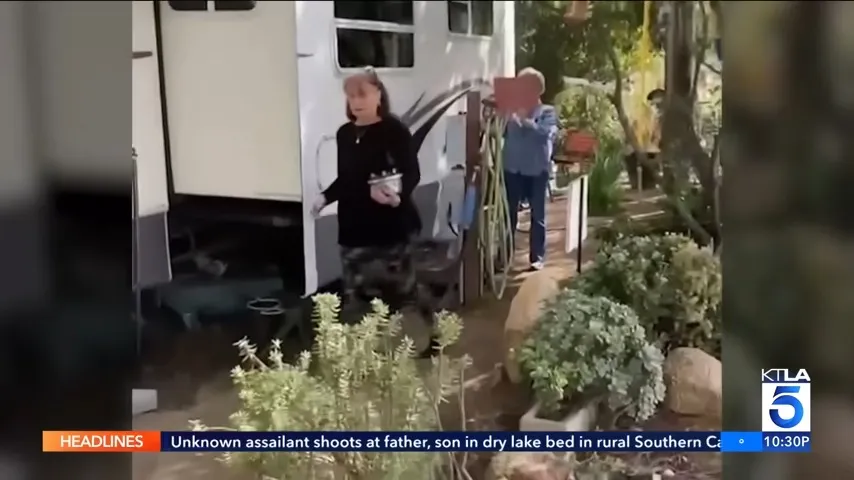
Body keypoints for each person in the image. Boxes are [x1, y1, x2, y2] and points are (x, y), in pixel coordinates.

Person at [310, 67, 436, 356]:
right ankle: (365, 357)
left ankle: (436, 333)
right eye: (351, 95)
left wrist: (397, 196)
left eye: (363, 94)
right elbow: (347, 179)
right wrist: (325, 197)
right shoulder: (344, 134)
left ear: (378, 94)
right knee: (356, 296)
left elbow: (411, 173)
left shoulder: (395, 131)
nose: (356, 101)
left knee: (405, 293)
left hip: (390, 228)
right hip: (353, 230)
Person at [503, 67, 559, 271]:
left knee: (538, 216)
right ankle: (505, 257)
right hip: (513, 168)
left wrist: (526, 122)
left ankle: (537, 257)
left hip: (536, 170)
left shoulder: (547, 112)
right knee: (508, 213)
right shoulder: (510, 110)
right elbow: (498, 132)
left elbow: (546, 134)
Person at [624, 88, 665, 190]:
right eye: (653, 104)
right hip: (650, 149)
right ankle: (639, 184)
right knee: (629, 153)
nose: (655, 107)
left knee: (643, 155)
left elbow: (659, 139)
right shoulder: (651, 118)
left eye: (658, 104)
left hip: (660, 151)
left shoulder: (667, 118)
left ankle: (649, 183)